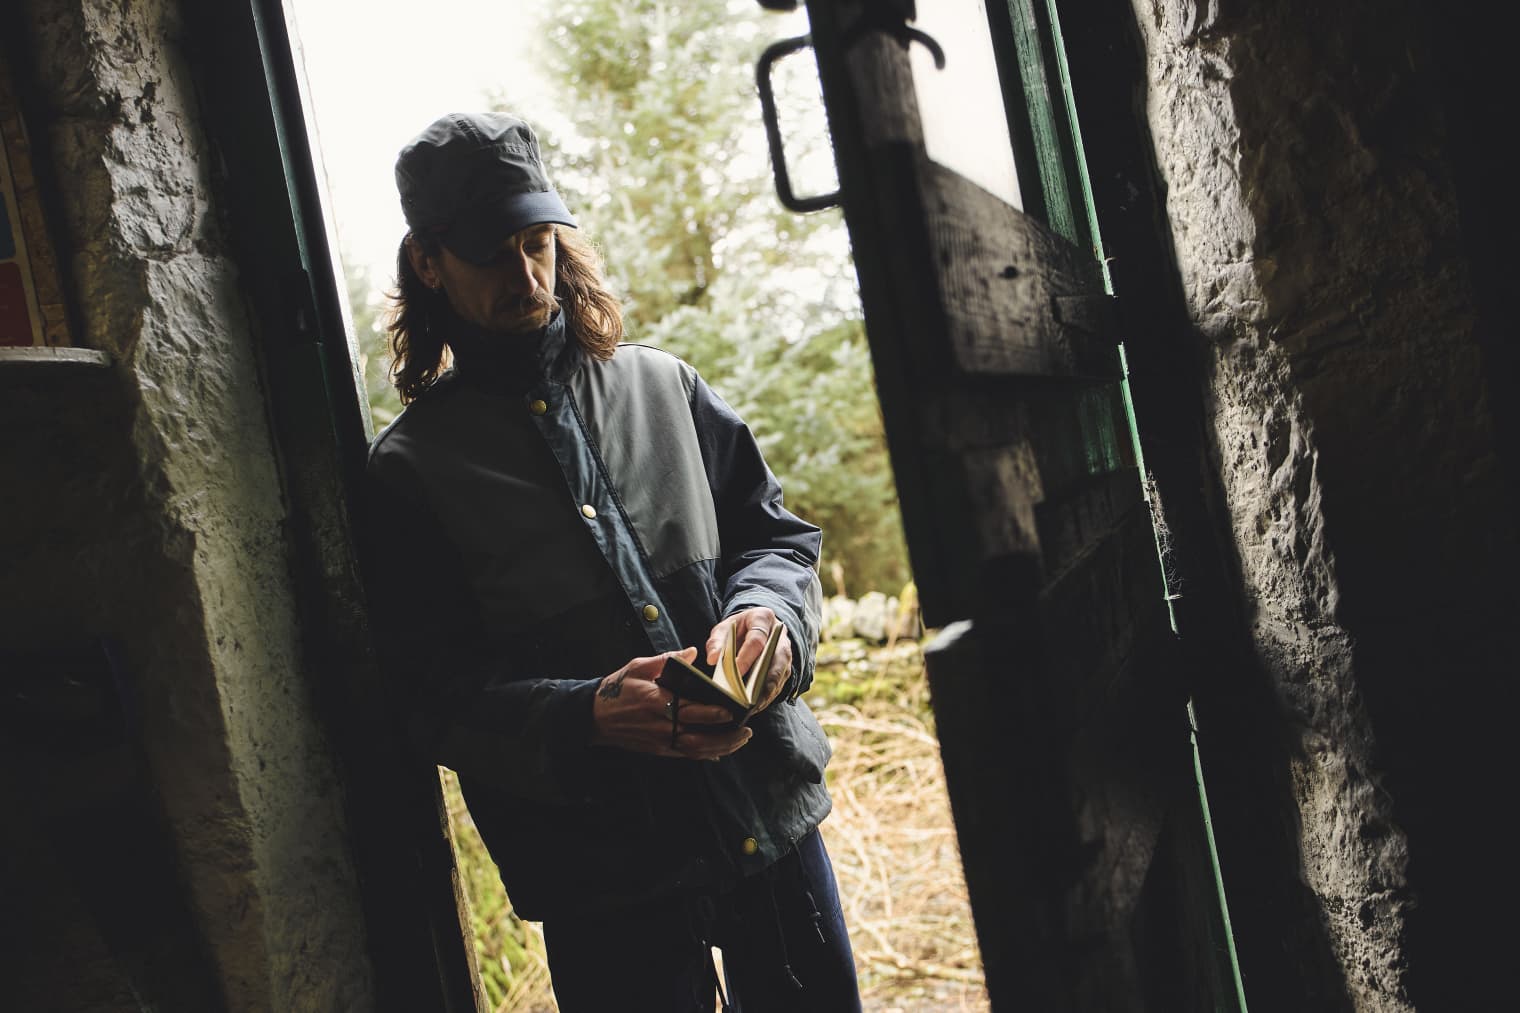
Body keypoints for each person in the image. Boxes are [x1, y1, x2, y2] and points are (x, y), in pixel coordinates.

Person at [363, 111, 861, 1012]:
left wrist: (774, 621)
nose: (527, 275)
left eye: (539, 242)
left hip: (768, 823)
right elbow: (426, 697)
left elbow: (777, 540)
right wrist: (586, 714)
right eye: (491, 253)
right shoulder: (408, 474)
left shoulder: (665, 384)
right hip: (604, 879)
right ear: (428, 263)